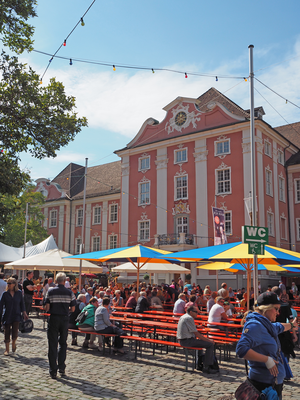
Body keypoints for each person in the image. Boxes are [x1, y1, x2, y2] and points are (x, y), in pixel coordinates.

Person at [236, 291, 298, 399]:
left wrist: (292, 325)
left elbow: (279, 326)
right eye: (276, 309)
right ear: (266, 308)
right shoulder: (255, 325)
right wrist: (267, 359)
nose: (278, 313)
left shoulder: (266, 324)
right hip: (263, 386)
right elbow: (241, 349)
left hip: (271, 385)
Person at [45, 272, 76, 379]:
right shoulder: (69, 293)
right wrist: (65, 308)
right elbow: (73, 309)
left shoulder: (50, 291)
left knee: (52, 344)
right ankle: (61, 367)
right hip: (64, 319)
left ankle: (53, 370)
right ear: (64, 281)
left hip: (53, 318)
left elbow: (47, 308)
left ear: (56, 281)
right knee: (63, 343)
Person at [177, 305, 218, 374]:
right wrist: (209, 340)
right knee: (210, 345)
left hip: (182, 340)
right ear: (191, 312)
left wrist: (196, 326)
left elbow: (188, 327)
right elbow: (197, 335)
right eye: (195, 312)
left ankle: (199, 364)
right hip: (187, 341)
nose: (197, 313)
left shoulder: (184, 316)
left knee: (200, 344)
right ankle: (207, 367)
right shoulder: (189, 318)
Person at [0, 277, 28, 355]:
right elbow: (1, 305)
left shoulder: (19, 293)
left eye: (10, 283)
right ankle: (7, 349)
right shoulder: (5, 294)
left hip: (16, 314)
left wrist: (24, 313)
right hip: (7, 315)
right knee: (7, 332)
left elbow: (22, 304)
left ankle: (13, 343)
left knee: (15, 331)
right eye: (8, 283)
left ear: (14, 284)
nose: (8, 285)